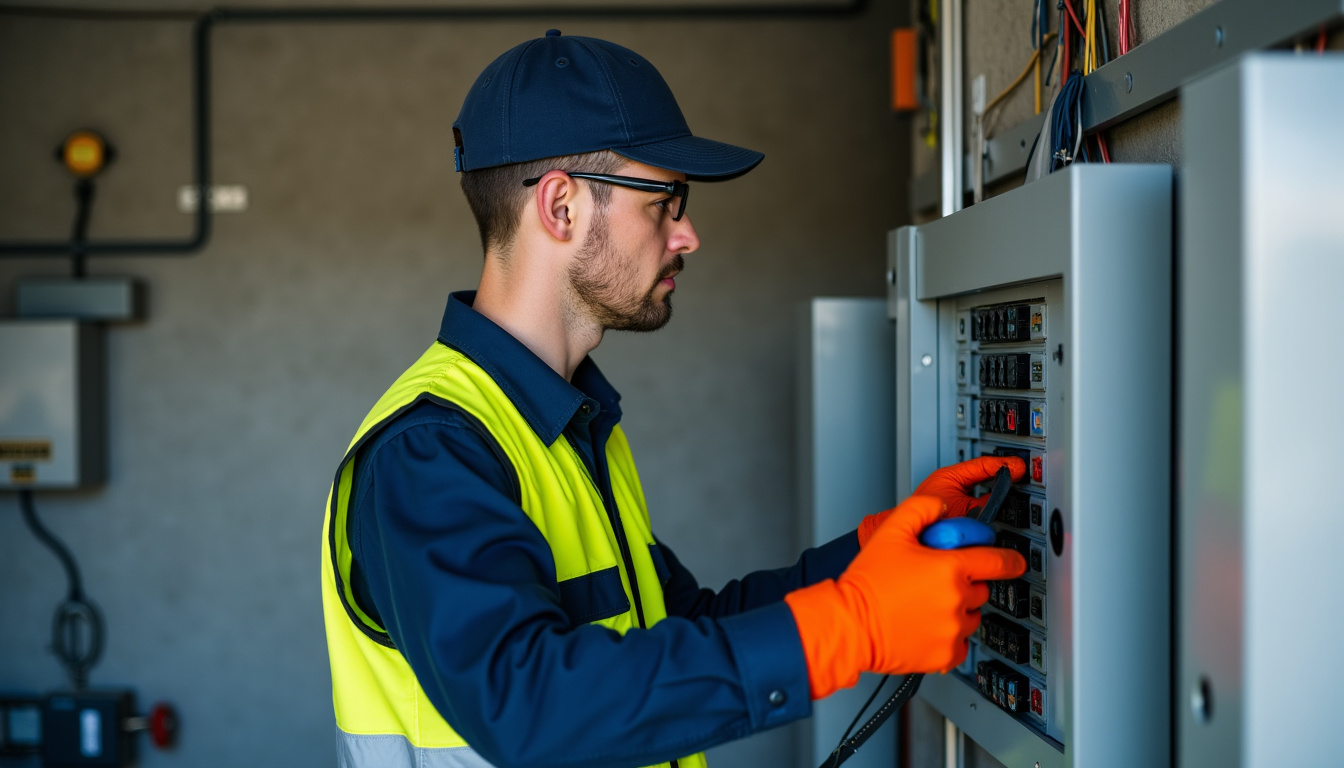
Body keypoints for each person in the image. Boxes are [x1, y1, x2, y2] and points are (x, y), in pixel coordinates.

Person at [319, 30, 1026, 768]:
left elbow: (678, 624)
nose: (687, 234)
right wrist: (853, 624)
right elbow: (529, 705)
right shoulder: (431, 450)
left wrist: (868, 559)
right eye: (665, 200)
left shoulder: (568, 426)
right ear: (560, 206)